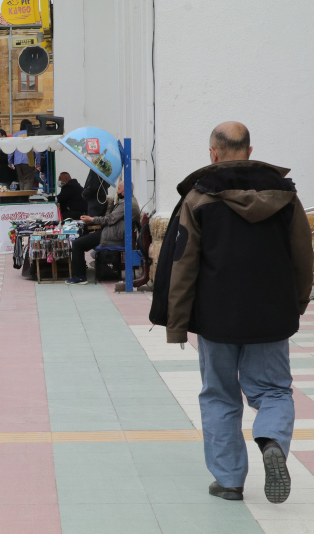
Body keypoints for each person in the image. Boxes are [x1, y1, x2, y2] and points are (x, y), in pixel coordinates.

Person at [160, 122, 313, 504]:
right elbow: (303, 257)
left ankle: (229, 480)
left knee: (220, 396)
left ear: (213, 152)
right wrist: (297, 303)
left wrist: (177, 325)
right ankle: (272, 440)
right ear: (248, 150)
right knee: (274, 391)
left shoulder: (199, 199)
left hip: (217, 317)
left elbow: (183, 266)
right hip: (271, 314)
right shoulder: (286, 197)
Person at [65, 180, 140, 285]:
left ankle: (79, 277)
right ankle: (81, 271)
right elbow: (112, 218)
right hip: (112, 232)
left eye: (118, 189)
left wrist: (92, 219)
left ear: (125, 191)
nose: (117, 192)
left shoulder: (127, 203)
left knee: (77, 244)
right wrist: (95, 218)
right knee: (82, 240)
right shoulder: (129, 201)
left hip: (112, 235)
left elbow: (110, 219)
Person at [8, 120, 36, 190]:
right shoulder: (32, 135)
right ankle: (26, 197)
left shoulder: (15, 135)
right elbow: (37, 151)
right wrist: (38, 163)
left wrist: (10, 162)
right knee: (28, 179)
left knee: (21, 180)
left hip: (17, 161)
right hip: (29, 159)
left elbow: (11, 150)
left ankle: (22, 197)